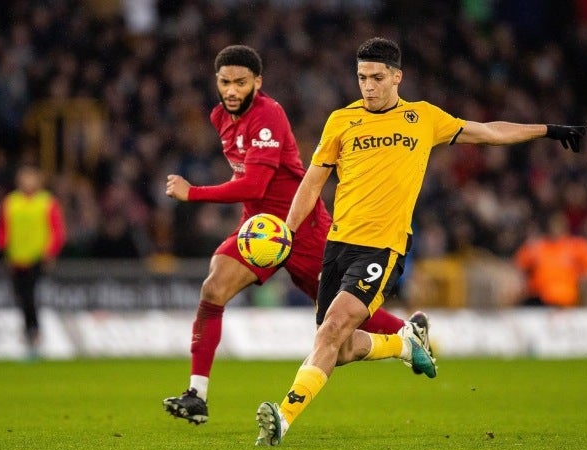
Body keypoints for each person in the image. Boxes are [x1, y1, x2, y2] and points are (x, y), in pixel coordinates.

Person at [254, 37, 587, 446]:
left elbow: (489, 132)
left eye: (377, 77)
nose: (369, 86)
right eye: (362, 78)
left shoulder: (422, 118)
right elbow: (312, 182)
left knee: (333, 328)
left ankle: (281, 420)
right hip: (338, 245)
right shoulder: (341, 120)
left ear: (397, 77)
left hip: (383, 248)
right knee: (337, 348)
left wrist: (548, 130)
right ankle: (403, 343)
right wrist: (288, 230)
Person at [162, 45, 431, 425]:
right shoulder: (219, 116)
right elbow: (254, 190)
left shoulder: (268, 115)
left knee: (340, 321)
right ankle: (197, 395)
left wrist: (194, 193)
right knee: (213, 288)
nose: (232, 90)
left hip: (303, 230)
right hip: (260, 231)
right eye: (225, 82)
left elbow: (255, 183)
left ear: (258, 82)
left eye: (241, 82)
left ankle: (408, 334)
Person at [0, 163, 66, 359]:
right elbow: (3, 229)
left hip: (37, 258)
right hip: (16, 259)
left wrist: (50, 252)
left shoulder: (47, 202)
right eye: (24, 177)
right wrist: (1, 248)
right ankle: (30, 333)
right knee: (22, 297)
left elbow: (57, 231)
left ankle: (33, 334)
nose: (27, 181)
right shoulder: (11, 202)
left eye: (30, 177)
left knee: (30, 296)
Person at [514, 211, 587, 307]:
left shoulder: (576, 246)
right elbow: (519, 264)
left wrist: (583, 276)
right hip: (540, 299)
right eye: (553, 225)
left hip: (566, 299)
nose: (555, 229)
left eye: (559, 225)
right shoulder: (537, 247)